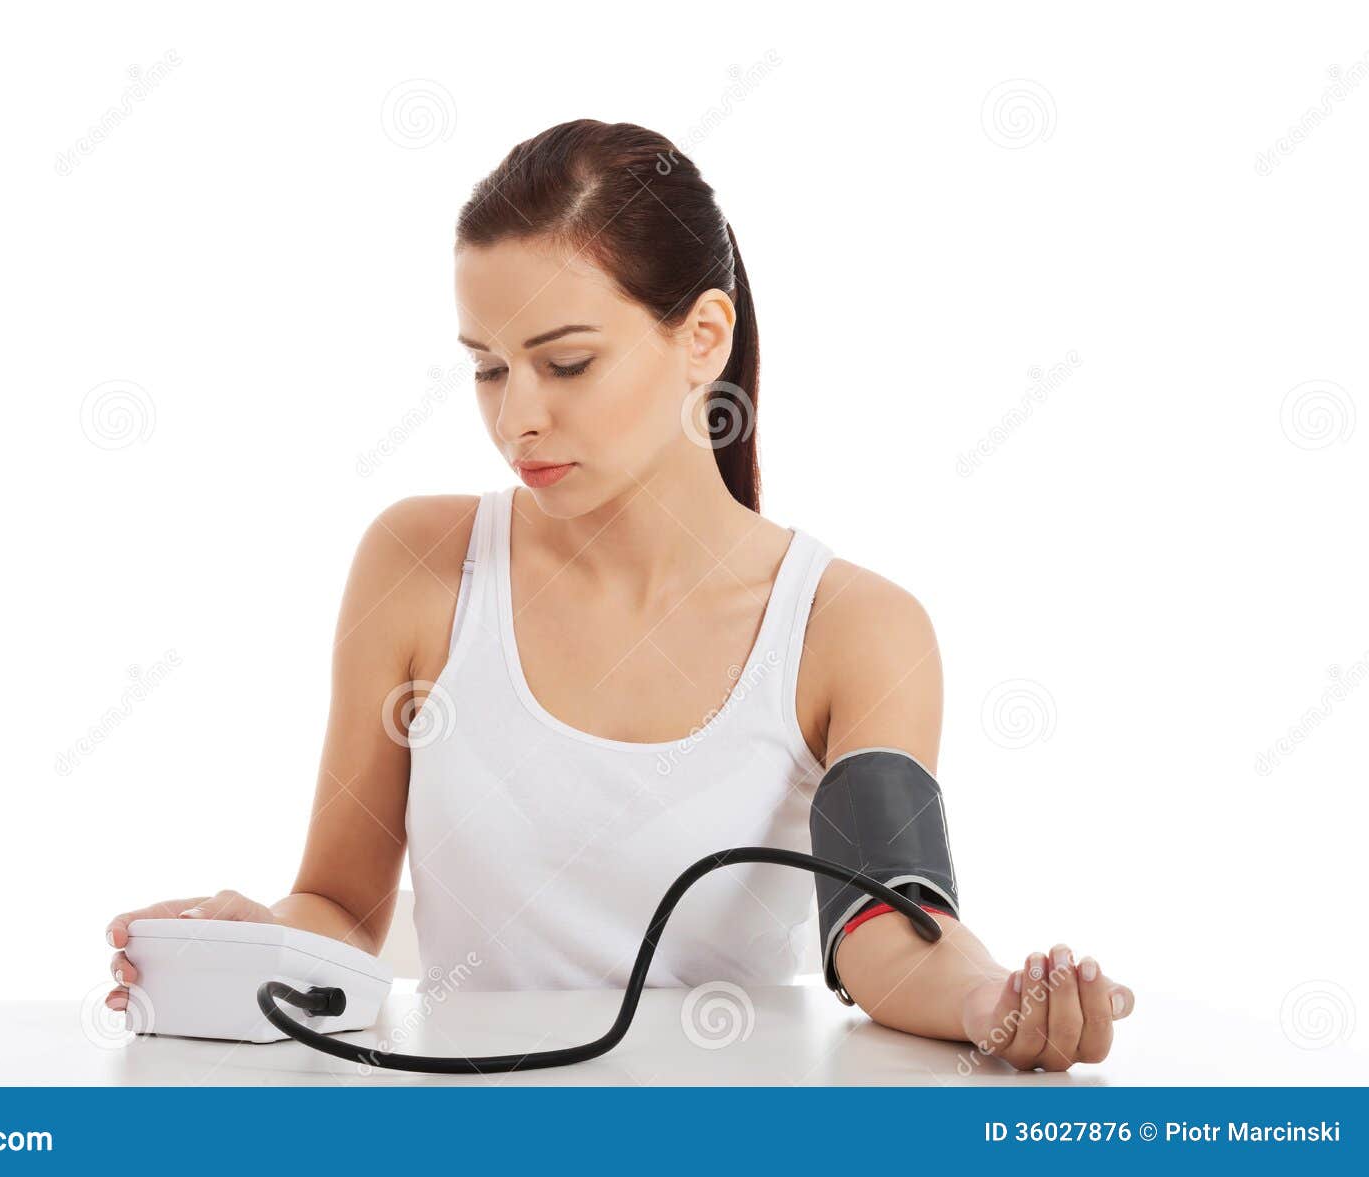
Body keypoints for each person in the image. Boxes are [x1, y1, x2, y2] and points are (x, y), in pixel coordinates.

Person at [105, 118, 1133, 1072]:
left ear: (703, 337)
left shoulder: (851, 626)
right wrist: (258, 941)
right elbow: (339, 902)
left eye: (566, 363)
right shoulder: (416, 563)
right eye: (488, 369)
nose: (518, 420)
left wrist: (992, 998)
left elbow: (886, 924)